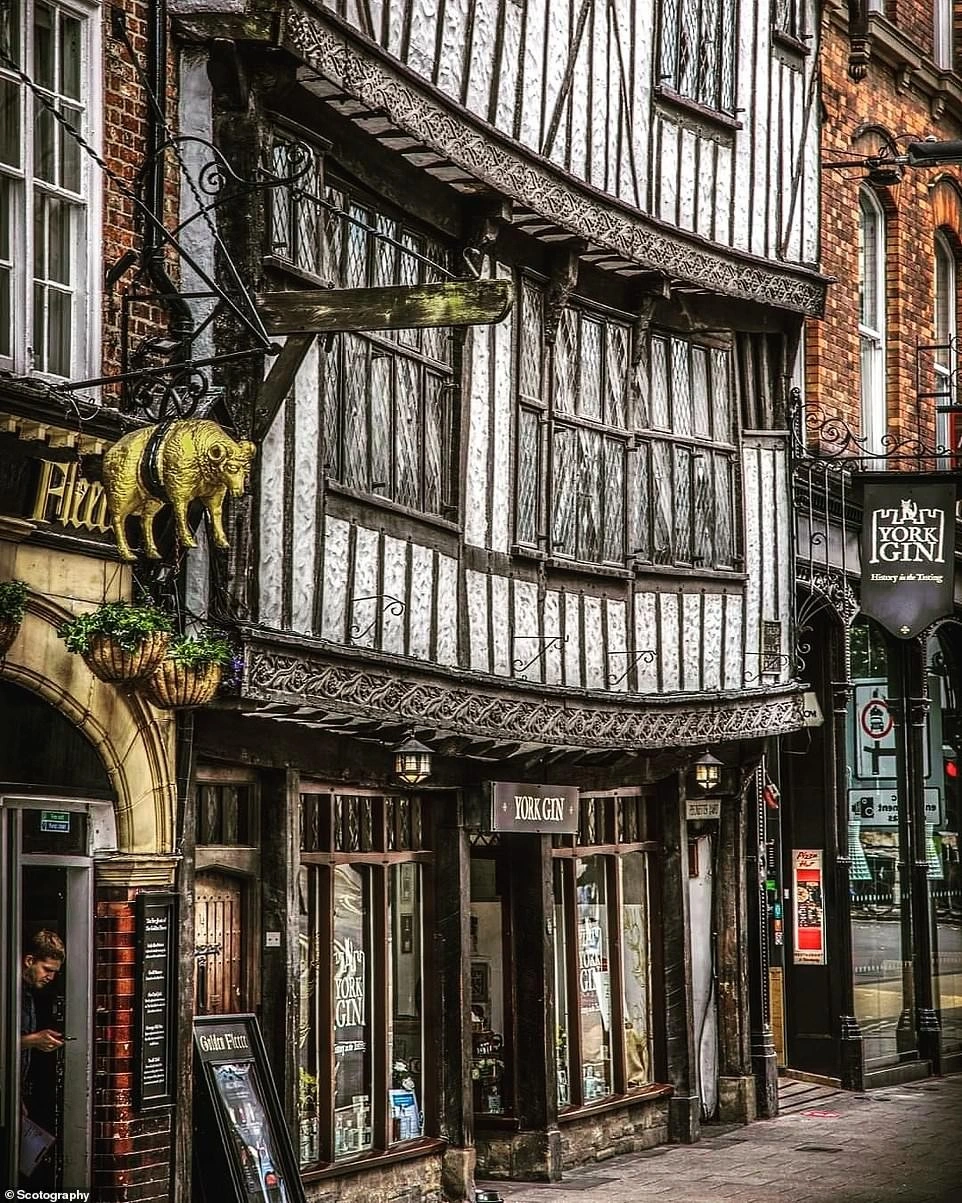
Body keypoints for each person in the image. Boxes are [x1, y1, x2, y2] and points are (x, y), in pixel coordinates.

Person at [20, 930, 65, 1101]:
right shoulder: (8, 993)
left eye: (55, 972)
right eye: (47, 969)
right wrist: (33, 1040)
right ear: (29, 961)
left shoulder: (26, 994)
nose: (51, 977)